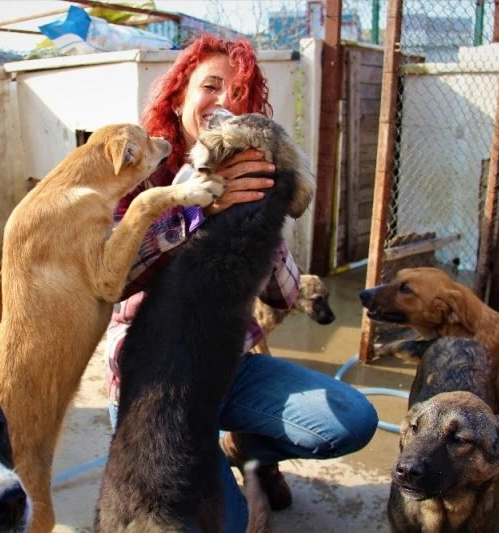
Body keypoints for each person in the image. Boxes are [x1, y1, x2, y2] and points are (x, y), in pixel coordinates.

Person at [104, 34, 378, 531]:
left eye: (240, 98)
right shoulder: (137, 171)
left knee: (352, 420)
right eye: (211, 87)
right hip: (152, 385)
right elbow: (108, 281)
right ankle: (208, 447)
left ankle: (241, 443)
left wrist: (260, 212)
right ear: (180, 92)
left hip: (227, 367)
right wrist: (194, 206)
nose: (222, 104)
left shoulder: (254, 174)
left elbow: (284, 296)